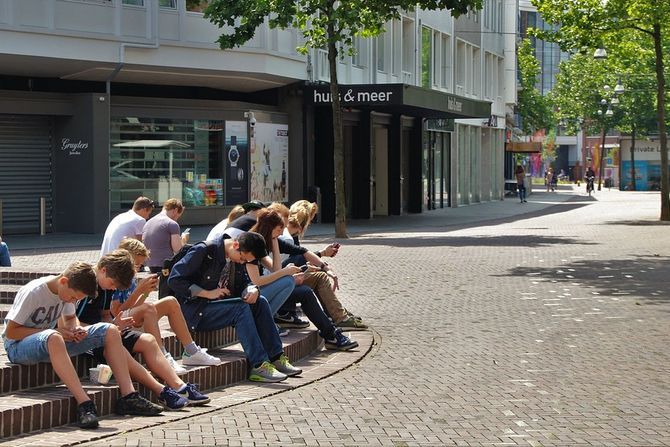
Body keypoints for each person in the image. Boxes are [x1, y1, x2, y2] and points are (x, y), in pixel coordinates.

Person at [3, 260, 163, 429]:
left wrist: (76, 330)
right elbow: (11, 333)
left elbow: (71, 319)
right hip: (18, 347)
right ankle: (84, 404)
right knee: (54, 337)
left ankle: (128, 396)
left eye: (77, 299)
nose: (72, 300)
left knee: (110, 330)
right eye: (73, 297)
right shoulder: (34, 292)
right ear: (64, 281)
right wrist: (57, 333)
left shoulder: (66, 291)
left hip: (51, 342)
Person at [167, 231, 302, 383]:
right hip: (194, 312)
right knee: (240, 308)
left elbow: (246, 284)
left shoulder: (236, 257)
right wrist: (207, 293)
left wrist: (252, 289)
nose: (242, 263)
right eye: (243, 258)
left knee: (260, 301)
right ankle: (259, 365)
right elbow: (174, 280)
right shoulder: (205, 250)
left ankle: (276, 357)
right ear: (236, 245)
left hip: (215, 306)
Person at [248, 210, 358, 351]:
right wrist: (287, 274)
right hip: (251, 294)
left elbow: (279, 267)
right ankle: (273, 319)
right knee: (289, 281)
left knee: (305, 291)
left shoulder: (268, 240)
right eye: (279, 230)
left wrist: (275, 243)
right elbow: (257, 280)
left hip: (261, 290)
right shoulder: (254, 242)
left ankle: (331, 335)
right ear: (269, 228)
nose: (282, 233)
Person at [111, 238, 220, 372]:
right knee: (147, 308)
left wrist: (145, 293)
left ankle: (191, 351)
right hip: (118, 324)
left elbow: (133, 308)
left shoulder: (132, 278)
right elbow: (116, 313)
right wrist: (139, 291)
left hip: (132, 320)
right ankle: (162, 356)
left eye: (140, 264)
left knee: (171, 301)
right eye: (136, 263)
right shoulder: (115, 278)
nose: (139, 267)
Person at [142, 198, 189, 297]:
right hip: (165, 264)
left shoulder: (148, 222)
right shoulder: (172, 224)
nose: (177, 219)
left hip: (150, 263)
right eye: (177, 216)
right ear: (175, 210)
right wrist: (184, 241)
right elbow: (178, 249)